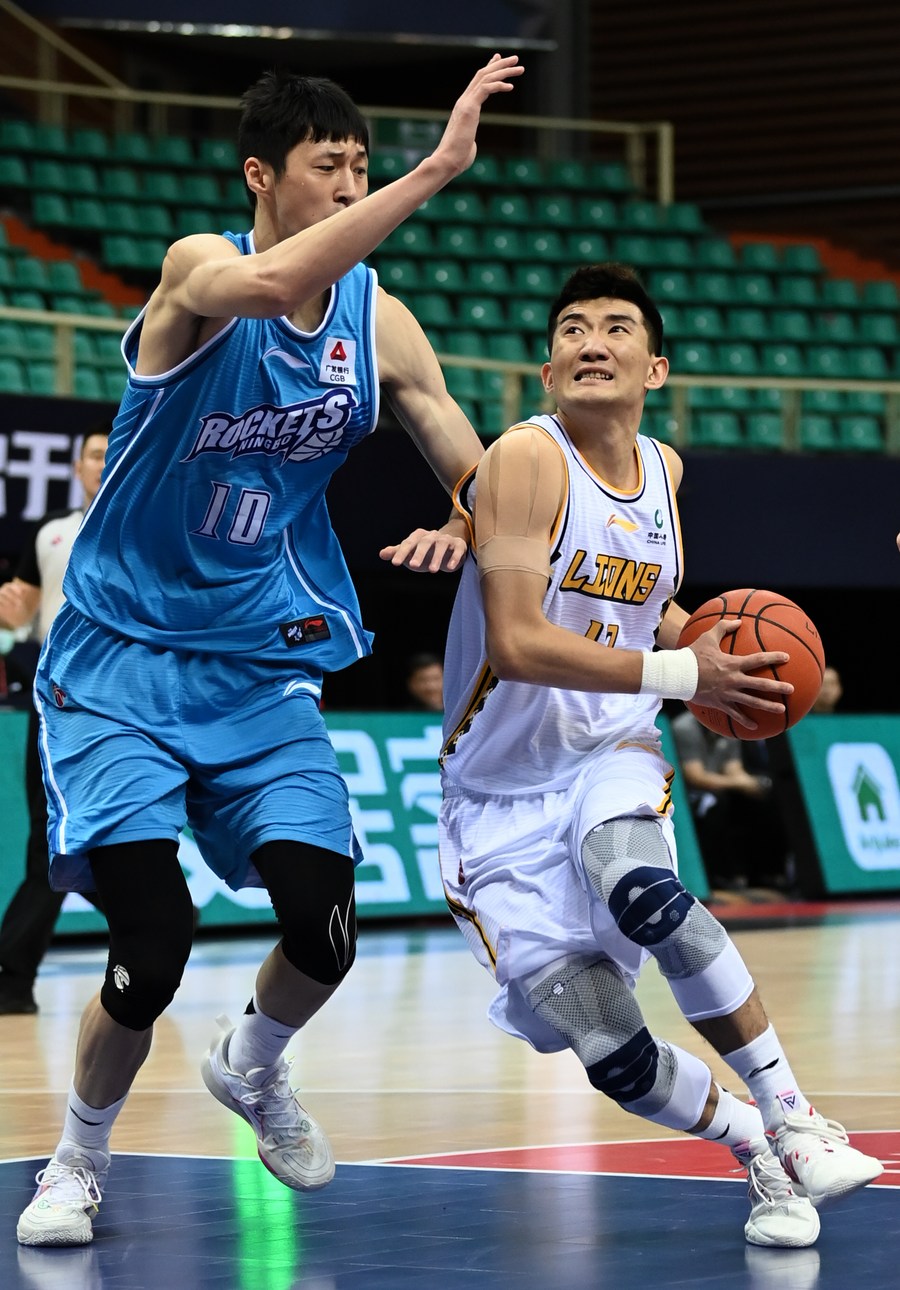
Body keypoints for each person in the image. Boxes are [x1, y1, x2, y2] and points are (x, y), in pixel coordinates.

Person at [16, 52, 524, 1249]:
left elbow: (479, 468)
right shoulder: (200, 269)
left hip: (257, 666)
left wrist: (474, 518)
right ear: (262, 175)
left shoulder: (378, 322)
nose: (350, 185)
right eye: (329, 167)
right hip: (119, 665)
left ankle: (252, 1063)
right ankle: (77, 1160)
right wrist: (432, 171)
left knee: (324, 924)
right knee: (152, 948)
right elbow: (275, 280)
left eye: (362, 165)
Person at [437, 263, 882, 1249]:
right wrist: (688, 673)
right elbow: (517, 642)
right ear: (547, 371)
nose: (591, 341)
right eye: (571, 328)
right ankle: (753, 1146)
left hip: (610, 746)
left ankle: (796, 1117)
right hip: (498, 796)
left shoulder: (665, 473)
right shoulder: (527, 459)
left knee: (641, 887)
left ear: (657, 368)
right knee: (612, 1051)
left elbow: (645, 609)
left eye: (615, 327)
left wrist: (724, 662)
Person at [0, 427, 109, 1015]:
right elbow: (18, 616)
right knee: (51, 838)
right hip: (54, 698)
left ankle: (12, 978)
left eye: (111, 452)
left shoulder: (145, 521)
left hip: (120, 699)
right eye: (94, 454)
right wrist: (10, 618)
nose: (103, 462)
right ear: (76, 468)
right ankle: (155, 914)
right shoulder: (50, 533)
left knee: (76, 839)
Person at [670, 708, 788, 891]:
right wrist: (741, 783)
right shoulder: (685, 727)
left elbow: (733, 770)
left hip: (720, 784)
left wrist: (754, 785)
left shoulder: (730, 723)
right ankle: (717, 876)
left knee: (762, 797)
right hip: (686, 791)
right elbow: (696, 777)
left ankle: (765, 874)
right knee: (715, 803)